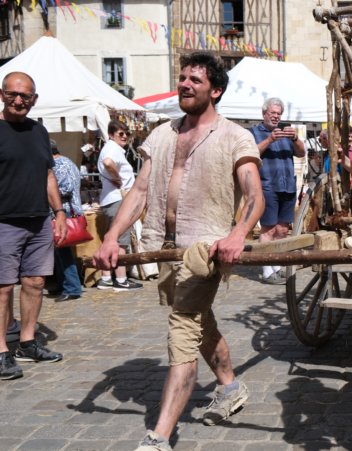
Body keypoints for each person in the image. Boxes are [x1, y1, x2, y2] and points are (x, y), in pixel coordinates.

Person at [93, 52, 264, 451]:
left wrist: (238, 233)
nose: (185, 84)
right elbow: (139, 192)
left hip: (205, 250)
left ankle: (159, 436)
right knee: (199, 320)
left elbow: (255, 195)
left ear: (215, 90)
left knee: (183, 329)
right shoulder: (161, 134)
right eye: (183, 78)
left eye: (195, 80)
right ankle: (231, 386)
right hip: (163, 247)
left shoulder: (234, 136)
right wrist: (110, 237)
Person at [0, 71, 67, 381]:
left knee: (36, 283)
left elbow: (48, 175)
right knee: (2, 289)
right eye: (12, 94)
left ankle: (26, 341)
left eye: (25, 95)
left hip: (39, 220)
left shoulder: (39, 132)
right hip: (4, 221)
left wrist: (60, 212)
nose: (18, 100)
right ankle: (1, 352)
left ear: (34, 99)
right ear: (2, 95)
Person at [250, 97, 305, 285]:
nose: (276, 117)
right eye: (272, 113)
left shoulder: (286, 133)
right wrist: (270, 139)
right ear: (264, 113)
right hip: (268, 186)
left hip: (288, 185)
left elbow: (302, 153)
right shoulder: (255, 133)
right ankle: (267, 270)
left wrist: (295, 138)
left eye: (278, 114)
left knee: (282, 229)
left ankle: (278, 266)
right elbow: (252, 152)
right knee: (268, 229)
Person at [96, 120, 142, 291]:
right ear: (111, 134)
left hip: (112, 199)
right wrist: (117, 178)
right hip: (117, 199)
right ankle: (121, 280)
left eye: (126, 133)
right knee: (120, 241)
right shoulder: (112, 148)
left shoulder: (112, 148)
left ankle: (107, 278)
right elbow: (108, 163)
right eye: (120, 133)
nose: (124, 136)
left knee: (112, 239)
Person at [50, 139, 84, 302]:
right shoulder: (64, 162)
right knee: (58, 251)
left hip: (64, 212)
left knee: (63, 252)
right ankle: (63, 283)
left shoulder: (61, 164)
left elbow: (66, 188)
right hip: (62, 212)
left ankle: (72, 287)